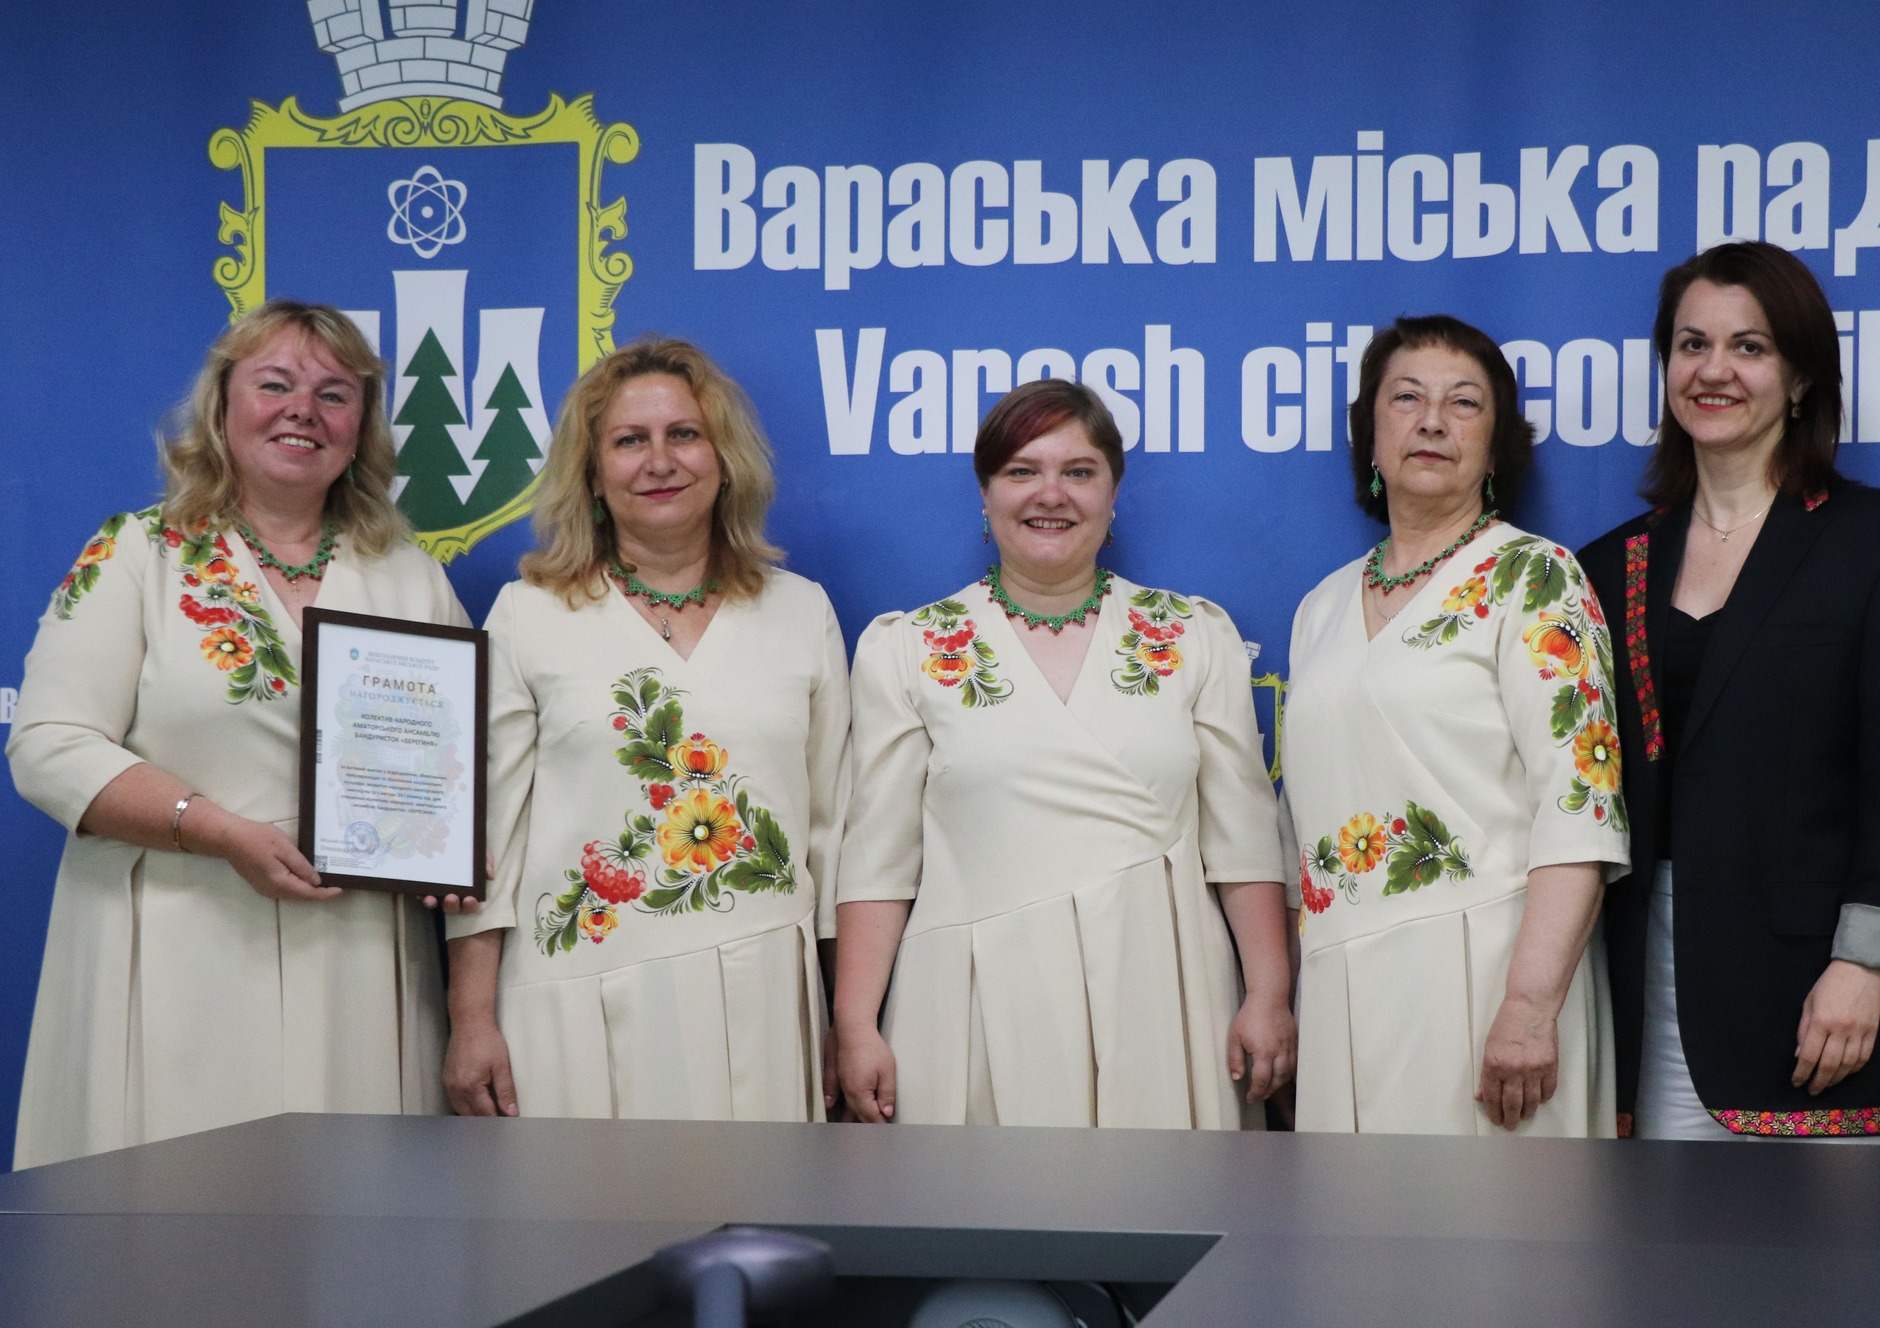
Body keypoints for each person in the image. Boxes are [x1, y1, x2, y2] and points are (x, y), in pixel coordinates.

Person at [8, 300, 470, 1167]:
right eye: (275, 385)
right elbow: (49, 745)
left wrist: (450, 855)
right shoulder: (136, 554)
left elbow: (454, 774)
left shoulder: (412, 580)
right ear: (222, 407)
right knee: (175, 1216)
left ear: (361, 428)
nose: (303, 410)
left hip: (357, 965)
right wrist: (218, 830)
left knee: (353, 1218)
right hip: (176, 954)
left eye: (334, 394)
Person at [1580, 241, 1880, 1142]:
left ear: (1800, 378)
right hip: (1656, 995)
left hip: (1828, 997)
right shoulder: (1610, 565)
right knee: (1668, 1239)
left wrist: (1866, 966)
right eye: (1692, 344)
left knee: (1842, 1245)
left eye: (1749, 347)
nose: (1713, 370)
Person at [833, 379, 1294, 1128]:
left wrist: (1269, 995)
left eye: (1079, 472)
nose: (1051, 494)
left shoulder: (1193, 636)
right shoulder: (908, 649)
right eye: (1023, 471)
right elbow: (877, 860)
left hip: (1163, 990)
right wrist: (855, 1024)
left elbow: (1244, 842)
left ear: (1113, 495)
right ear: (985, 495)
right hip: (973, 998)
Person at [441, 336, 848, 1122]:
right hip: (576, 997)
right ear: (592, 473)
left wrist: (842, 1017)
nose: (660, 461)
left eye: (684, 434)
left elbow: (835, 837)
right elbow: (487, 843)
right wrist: (470, 1019)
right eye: (630, 441)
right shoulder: (529, 615)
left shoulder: (802, 611)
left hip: (764, 994)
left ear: (724, 458)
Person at [1283, 315, 1631, 1136]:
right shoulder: (1320, 607)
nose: (1433, 421)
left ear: (1497, 444)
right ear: (1370, 434)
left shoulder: (1536, 578)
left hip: (1491, 984)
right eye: (1406, 398)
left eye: (1464, 403)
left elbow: (1581, 811)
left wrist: (1530, 1007)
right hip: (1340, 981)